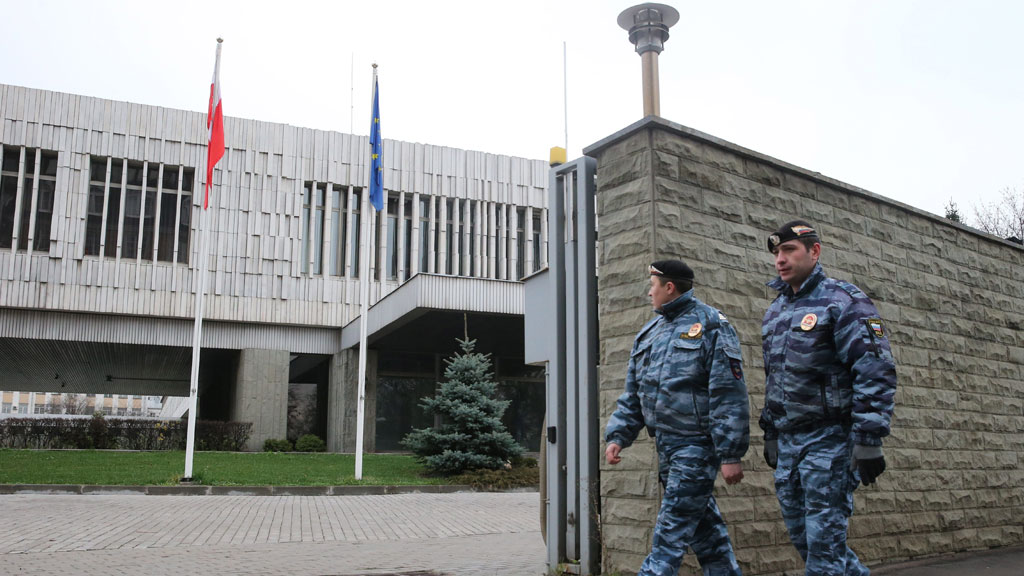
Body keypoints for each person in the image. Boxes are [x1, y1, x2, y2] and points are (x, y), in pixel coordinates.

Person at [760, 220, 897, 576]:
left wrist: (868, 437)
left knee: (824, 549)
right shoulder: (775, 312)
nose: (780, 260)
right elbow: (775, 378)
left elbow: (874, 368)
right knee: (807, 542)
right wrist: (771, 430)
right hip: (790, 445)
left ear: (814, 251)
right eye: (777, 253)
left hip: (830, 442)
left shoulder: (844, 301)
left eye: (789, 250)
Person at [605, 259, 749, 576]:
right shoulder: (649, 333)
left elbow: (728, 393)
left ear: (669, 287)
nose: (648, 292)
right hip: (667, 448)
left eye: (652, 285)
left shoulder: (712, 325)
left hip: (696, 448)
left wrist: (730, 453)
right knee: (708, 537)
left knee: (669, 537)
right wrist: (618, 436)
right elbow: (634, 394)